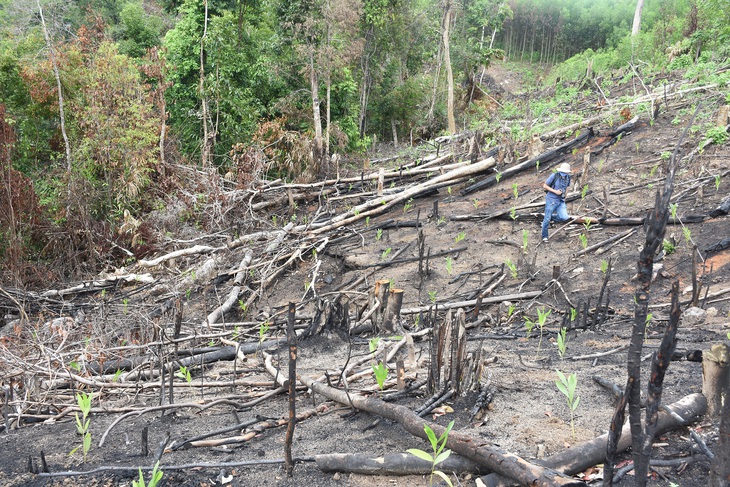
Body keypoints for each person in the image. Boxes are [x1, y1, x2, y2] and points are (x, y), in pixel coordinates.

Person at [541, 162, 572, 242]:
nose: (564, 174)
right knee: (547, 219)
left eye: (565, 173)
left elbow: (567, 187)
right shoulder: (554, 176)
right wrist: (555, 191)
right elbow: (545, 186)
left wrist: (565, 196)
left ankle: (549, 218)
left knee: (564, 217)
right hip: (551, 199)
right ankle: (545, 236)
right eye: (563, 172)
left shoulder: (568, 177)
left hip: (561, 200)